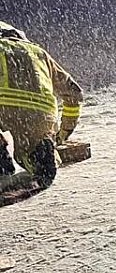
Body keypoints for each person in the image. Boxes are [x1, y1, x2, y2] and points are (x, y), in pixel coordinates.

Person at [0, 21, 83, 188]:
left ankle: (2, 167)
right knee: (31, 158)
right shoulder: (37, 52)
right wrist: (62, 134)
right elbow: (74, 93)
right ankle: (40, 154)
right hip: (39, 112)